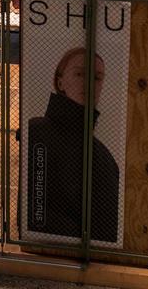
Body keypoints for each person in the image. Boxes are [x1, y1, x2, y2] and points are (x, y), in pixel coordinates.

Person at [26, 46, 120, 243]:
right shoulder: (37, 132)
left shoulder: (104, 159)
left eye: (97, 78)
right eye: (79, 73)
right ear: (60, 82)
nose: (88, 83)